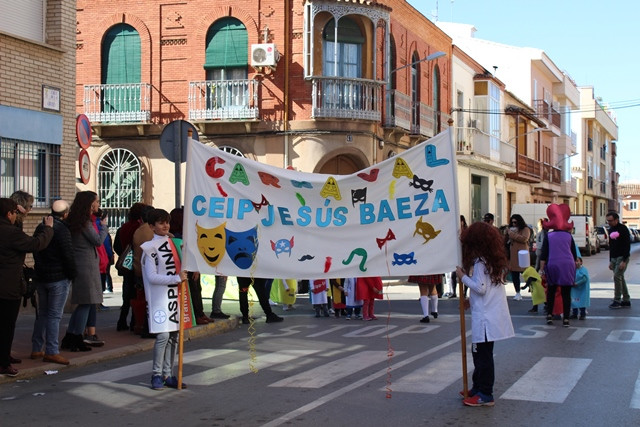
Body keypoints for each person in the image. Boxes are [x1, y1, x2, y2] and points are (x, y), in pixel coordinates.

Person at [456, 221, 514, 407]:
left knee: (482, 357)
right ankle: (477, 387)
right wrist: (469, 301)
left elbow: (480, 288)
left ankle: (485, 393)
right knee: (480, 354)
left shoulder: (480, 263)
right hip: (489, 315)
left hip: (486, 319)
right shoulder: (490, 260)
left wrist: (462, 277)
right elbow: (486, 290)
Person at [0, 197, 53, 376]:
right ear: (9, 214)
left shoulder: (8, 229)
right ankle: (3, 362)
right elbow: (35, 244)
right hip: (8, 285)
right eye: (15, 213)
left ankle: (4, 355)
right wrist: (48, 229)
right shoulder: (10, 232)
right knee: (7, 326)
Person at [140, 208, 188, 390]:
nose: (165, 225)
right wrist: (175, 279)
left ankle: (168, 374)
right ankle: (156, 374)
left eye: (166, 222)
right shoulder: (149, 248)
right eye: (160, 223)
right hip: (159, 298)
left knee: (175, 335)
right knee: (163, 335)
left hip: (175, 296)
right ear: (152, 227)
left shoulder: (175, 243)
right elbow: (152, 276)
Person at [60, 191, 109, 352]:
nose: (98, 204)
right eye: (96, 202)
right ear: (89, 204)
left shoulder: (76, 220)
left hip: (82, 265)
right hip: (86, 266)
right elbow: (97, 241)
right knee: (86, 303)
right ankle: (76, 337)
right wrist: (104, 227)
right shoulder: (84, 223)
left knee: (84, 303)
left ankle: (71, 335)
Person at [31, 200, 77, 365]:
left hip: (42, 276)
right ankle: (51, 350)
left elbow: (36, 249)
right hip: (58, 277)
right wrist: (72, 274)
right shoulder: (62, 230)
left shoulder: (41, 227)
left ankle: (36, 348)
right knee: (54, 315)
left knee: (42, 313)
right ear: (65, 214)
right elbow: (68, 254)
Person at [169, 207, 211, 325]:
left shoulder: (184, 233)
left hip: (189, 266)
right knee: (194, 290)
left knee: (197, 289)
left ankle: (200, 314)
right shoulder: (177, 236)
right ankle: (197, 315)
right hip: (187, 266)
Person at [538, 204, 578, 327]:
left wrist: (541, 270)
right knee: (566, 293)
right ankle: (566, 318)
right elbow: (574, 254)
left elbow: (543, 255)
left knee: (551, 291)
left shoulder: (549, 236)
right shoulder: (569, 236)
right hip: (568, 265)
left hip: (553, 264)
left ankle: (549, 315)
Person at [113, 202, 147, 331]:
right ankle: (135, 322)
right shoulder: (140, 229)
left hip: (126, 265)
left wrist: (123, 254)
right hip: (137, 264)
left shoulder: (123, 227)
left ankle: (122, 320)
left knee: (126, 295)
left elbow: (116, 246)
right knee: (137, 293)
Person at [131, 205, 155, 336]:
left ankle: (139, 325)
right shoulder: (152, 232)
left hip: (138, 269)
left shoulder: (138, 231)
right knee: (150, 301)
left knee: (142, 299)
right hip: (149, 270)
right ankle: (147, 328)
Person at [606, 211, 631, 309]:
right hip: (614, 257)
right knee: (621, 278)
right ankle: (626, 299)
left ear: (616, 220)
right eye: (608, 221)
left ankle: (617, 300)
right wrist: (610, 260)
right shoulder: (611, 230)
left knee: (617, 276)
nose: (609, 223)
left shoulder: (623, 229)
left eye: (611, 221)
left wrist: (624, 260)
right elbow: (611, 246)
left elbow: (627, 245)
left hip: (622, 257)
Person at [506, 214, 530, 301]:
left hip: (522, 254)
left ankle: (530, 287)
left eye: (515, 222)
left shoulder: (525, 229)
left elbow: (524, 239)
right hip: (513, 254)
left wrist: (512, 234)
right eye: (512, 222)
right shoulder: (510, 230)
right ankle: (517, 292)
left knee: (527, 273)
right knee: (515, 274)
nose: (514, 224)